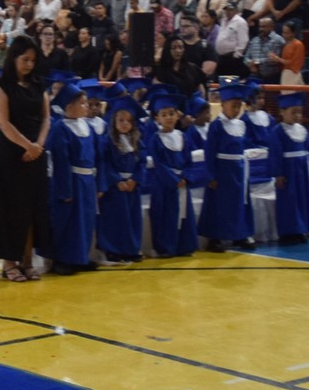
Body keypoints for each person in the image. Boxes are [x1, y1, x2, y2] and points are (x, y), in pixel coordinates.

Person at [0, 34, 51, 282]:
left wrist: (38, 145)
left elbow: (46, 118)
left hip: (35, 152)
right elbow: (4, 123)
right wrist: (27, 145)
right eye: (25, 59)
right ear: (13, 58)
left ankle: (27, 260)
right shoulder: (2, 87)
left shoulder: (38, 86)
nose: (29, 65)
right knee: (10, 208)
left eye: (33, 60)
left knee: (32, 207)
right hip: (10, 153)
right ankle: (9, 262)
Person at [45, 84, 99, 275]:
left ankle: (80, 257)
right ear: (69, 106)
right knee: (68, 221)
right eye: (82, 103)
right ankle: (62, 259)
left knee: (85, 220)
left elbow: (95, 155)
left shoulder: (88, 127)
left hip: (87, 180)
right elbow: (61, 161)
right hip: (71, 180)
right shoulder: (61, 129)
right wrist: (65, 190)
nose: (87, 106)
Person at [198, 81, 256, 252]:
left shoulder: (242, 125)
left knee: (239, 203)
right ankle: (216, 237)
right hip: (223, 172)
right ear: (223, 105)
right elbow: (210, 153)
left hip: (238, 170)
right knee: (220, 205)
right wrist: (211, 175)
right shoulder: (216, 126)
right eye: (233, 106)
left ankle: (239, 234)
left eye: (239, 106)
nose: (236, 110)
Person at [143, 90, 198, 258]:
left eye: (171, 114)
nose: (168, 117)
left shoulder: (183, 137)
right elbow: (159, 164)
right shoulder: (156, 139)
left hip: (182, 181)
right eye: (164, 114)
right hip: (165, 185)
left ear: (177, 116)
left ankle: (184, 245)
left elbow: (189, 160)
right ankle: (166, 247)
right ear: (157, 118)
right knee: (166, 215)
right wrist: (174, 180)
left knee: (184, 214)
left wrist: (186, 177)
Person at [96, 97, 144, 264]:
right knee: (114, 219)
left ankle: (131, 249)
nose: (124, 124)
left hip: (132, 186)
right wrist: (117, 180)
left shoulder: (137, 142)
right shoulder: (107, 142)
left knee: (132, 219)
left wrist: (135, 179)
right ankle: (113, 250)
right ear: (114, 122)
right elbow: (105, 163)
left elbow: (141, 163)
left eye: (128, 121)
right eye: (121, 120)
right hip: (115, 188)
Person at [267, 92, 309, 246]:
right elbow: (275, 154)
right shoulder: (277, 131)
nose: (297, 116)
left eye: (300, 112)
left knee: (302, 199)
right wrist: (278, 174)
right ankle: (287, 232)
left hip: (301, 171)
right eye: (294, 112)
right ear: (282, 112)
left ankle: (300, 229)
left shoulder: (302, 130)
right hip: (288, 172)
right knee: (289, 202)